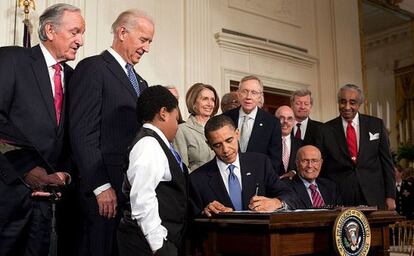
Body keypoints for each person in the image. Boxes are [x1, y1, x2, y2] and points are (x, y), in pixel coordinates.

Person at [0, 3, 85, 256]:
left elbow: (72, 135)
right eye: (74, 32)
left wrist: (66, 175)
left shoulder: (73, 77)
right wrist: (25, 169)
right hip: (8, 196)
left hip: (48, 203)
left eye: (82, 33)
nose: (80, 41)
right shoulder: (13, 59)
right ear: (50, 30)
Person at [68, 9, 153, 256]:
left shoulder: (141, 83)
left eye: (150, 42)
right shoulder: (93, 68)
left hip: (129, 193)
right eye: (143, 40)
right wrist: (100, 185)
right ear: (122, 32)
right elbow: (82, 132)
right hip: (101, 194)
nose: (147, 48)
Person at [117, 85, 187, 256]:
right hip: (148, 245)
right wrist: (159, 246)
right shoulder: (148, 145)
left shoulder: (157, 144)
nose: (177, 125)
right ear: (164, 113)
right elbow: (143, 198)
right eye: (176, 118)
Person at [190, 115, 296, 217]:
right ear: (209, 145)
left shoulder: (260, 163)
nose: (226, 150)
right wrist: (205, 213)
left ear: (237, 134)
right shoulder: (197, 179)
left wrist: (276, 203)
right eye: (217, 145)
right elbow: (191, 220)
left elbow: (290, 196)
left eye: (229, 140)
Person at [315, 84, 395, 210]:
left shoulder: (376, 125)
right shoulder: (325, 130)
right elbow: (320, 167)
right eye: (343, 102)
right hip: (339, 197)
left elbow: (387, 163)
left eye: (352, 102)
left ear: (359, 104)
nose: (347, 107)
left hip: (373, 195)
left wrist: (391, 196)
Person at [223, 75, 282, 171]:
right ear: (238, 94)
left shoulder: (272, 123)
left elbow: (275, 160)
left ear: (260, 96)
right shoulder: (226, 118)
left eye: (254, 93)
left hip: (259, 179)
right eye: (244, 91)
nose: (248, 97)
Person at [173, 83, 219, 172]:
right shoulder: (182, 130)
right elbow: (182, 168)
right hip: (197, 184)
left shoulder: (220, 127)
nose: (210, 104)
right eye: (205, 99)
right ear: (193, 102)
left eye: (212, 100)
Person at [275, 105, 302, 179]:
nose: (285, 121)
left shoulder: (301, 144)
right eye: (281, 118)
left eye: (289, 119)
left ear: (294, 122)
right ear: (274, 120)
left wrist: (294, 172)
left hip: (294, 187)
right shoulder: (266, 142)